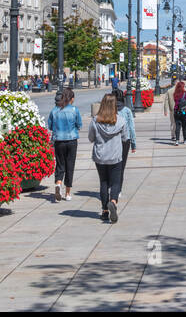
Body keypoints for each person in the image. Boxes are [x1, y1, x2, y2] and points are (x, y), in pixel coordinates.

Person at [87, 93, 128, 222]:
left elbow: (91, 138)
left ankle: (105, 210)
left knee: (103, 182)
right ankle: (113, 202)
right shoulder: (120, 120)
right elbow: (125, 137)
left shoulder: (95, 121)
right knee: (115, 182)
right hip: (115, 156)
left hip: (100, 156)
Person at [47, 89, 82, 201]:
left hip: (59, 141)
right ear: (71, 98)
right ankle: (67, 193)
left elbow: (50, 126)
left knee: (60, 164)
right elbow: (79, 124)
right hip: (71, 140)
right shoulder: (74, 110)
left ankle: (58, 183)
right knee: (70, 166)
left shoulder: (54, 111)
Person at [113, 89, 137, 185]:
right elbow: (131, 128)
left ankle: (111, 185)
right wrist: (133, 144)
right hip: (125, 140)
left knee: (112, 165)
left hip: (112, 140)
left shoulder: (109, 110)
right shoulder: (127, 110)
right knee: (121, 166)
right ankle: (118, 189)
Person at [172, 80, 186, 144]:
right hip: (184, 111)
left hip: (177, 111)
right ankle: (185, 140)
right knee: (184, 126)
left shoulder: (175, 94)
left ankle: (177, 140)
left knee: (177, 126)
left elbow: (176, 102)